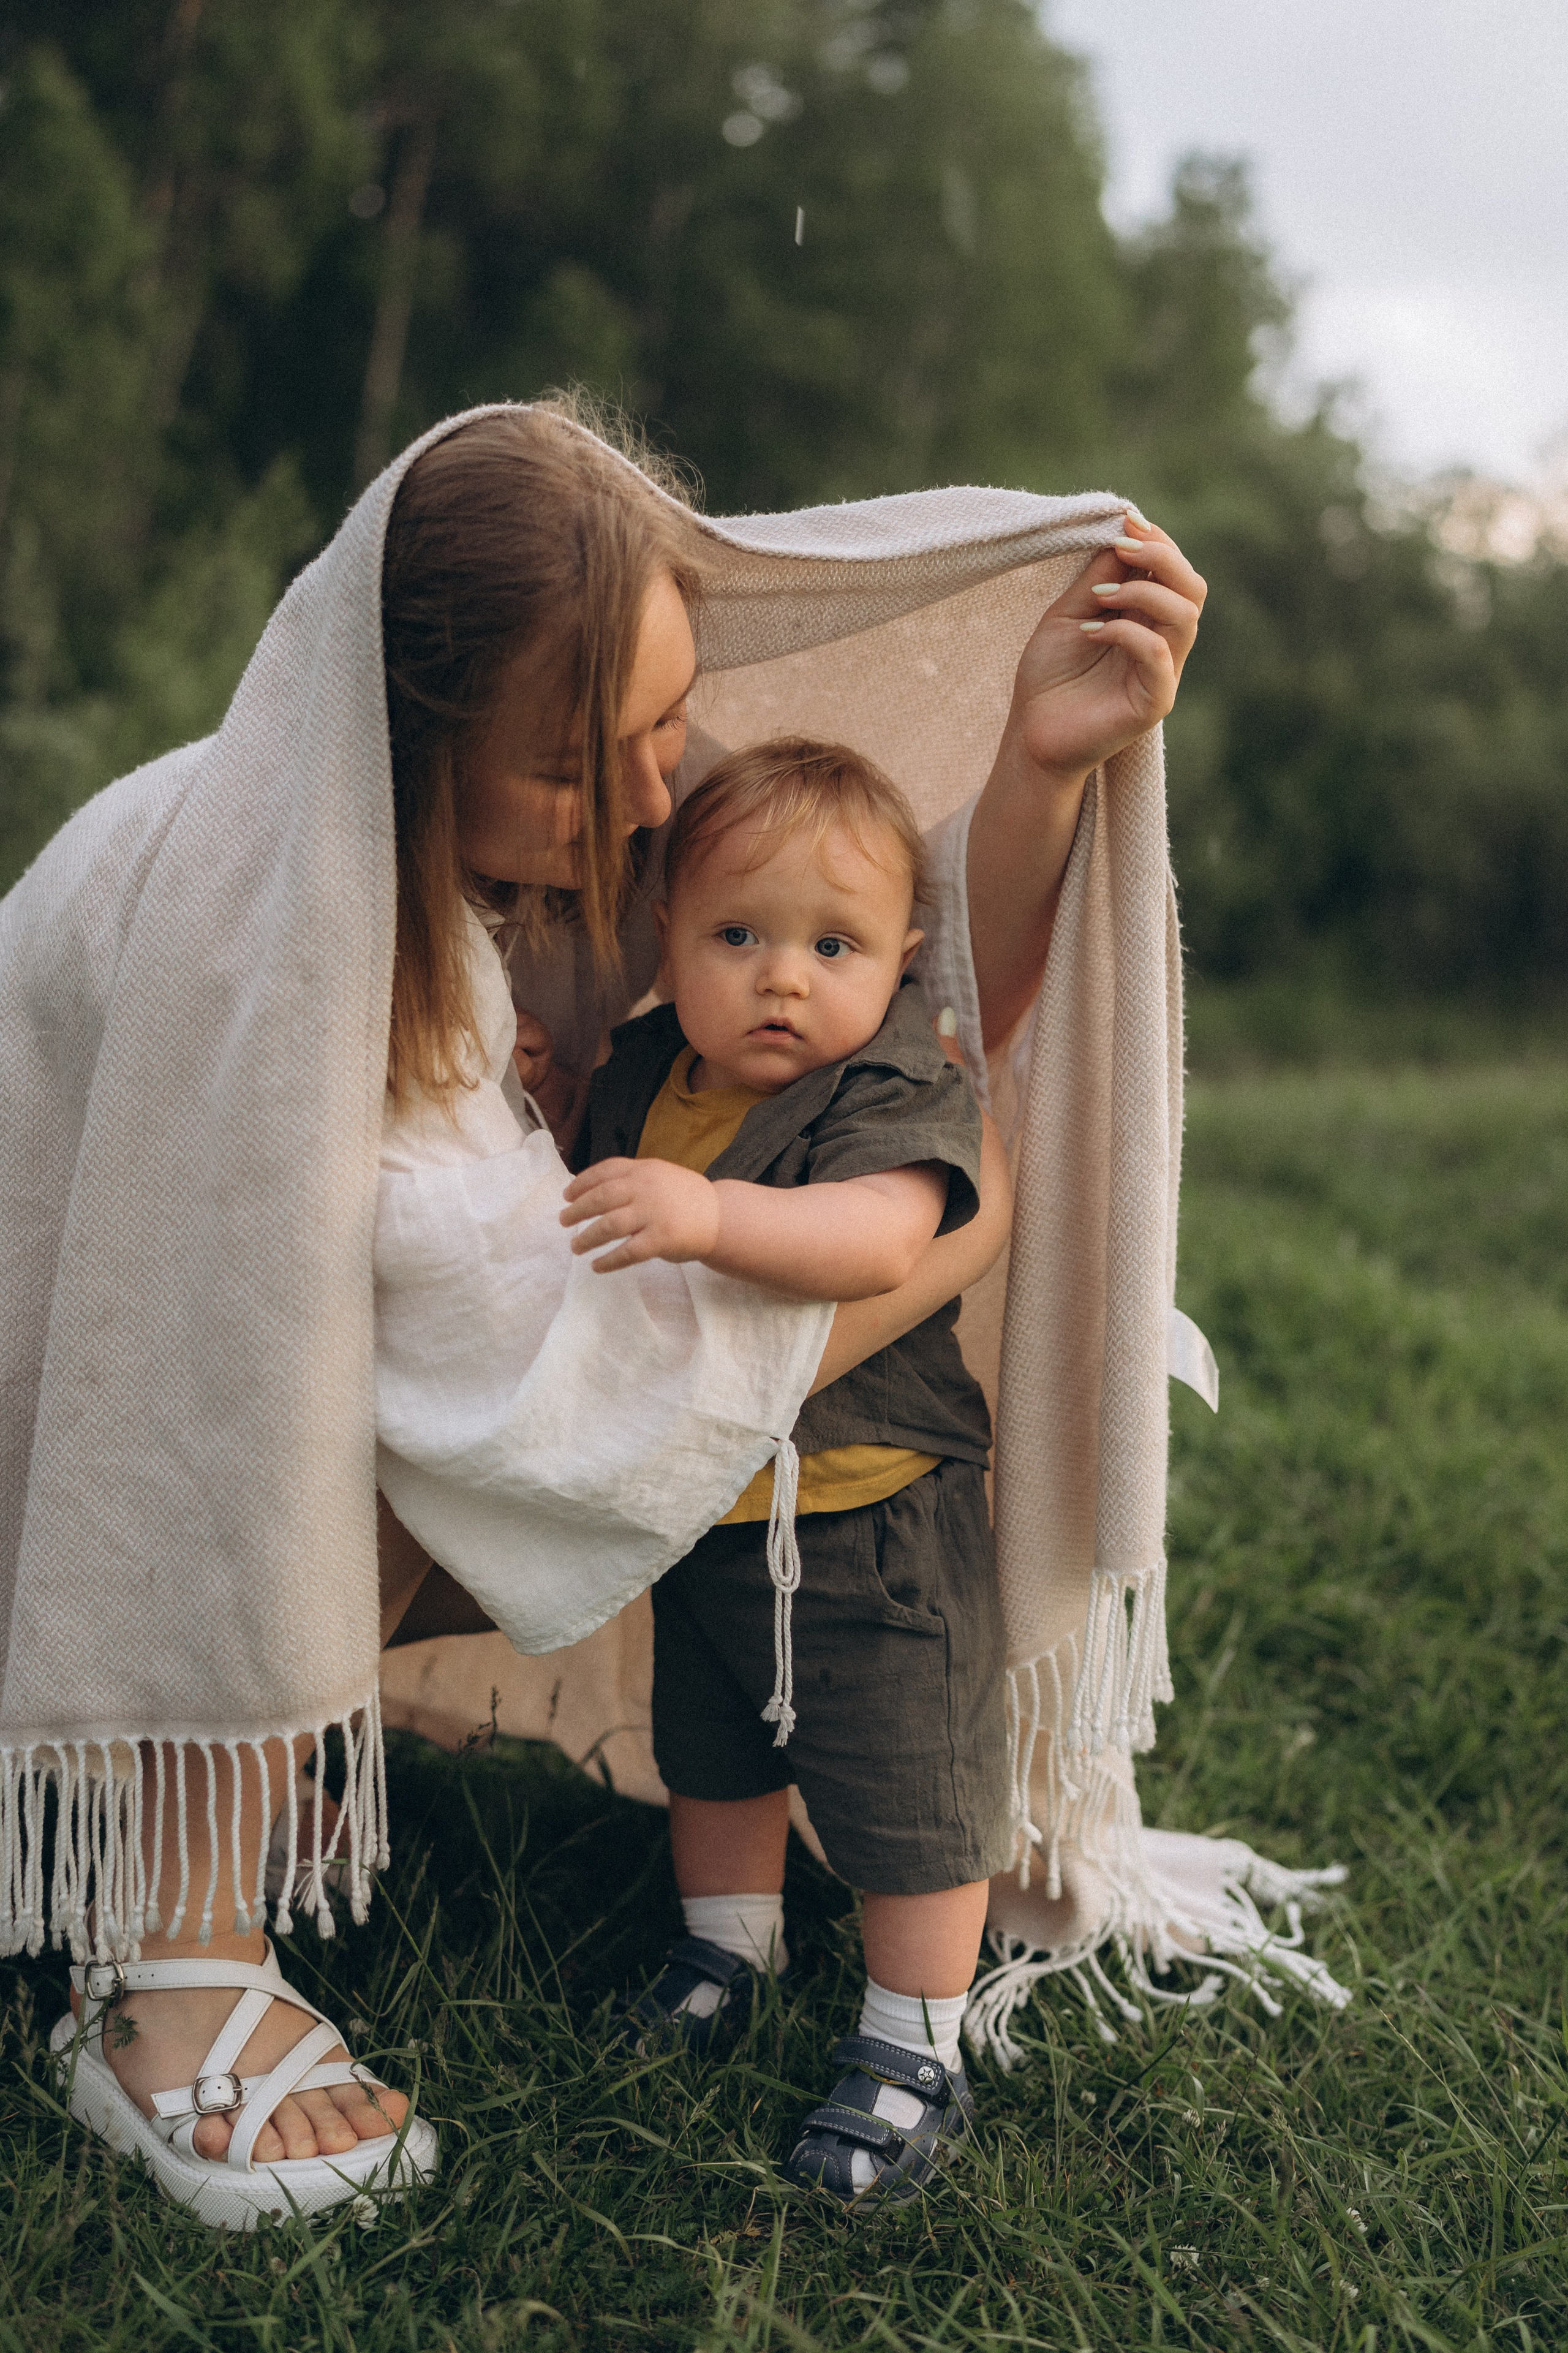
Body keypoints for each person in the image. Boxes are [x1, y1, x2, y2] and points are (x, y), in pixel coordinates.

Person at [0, 398, 1205, 2227]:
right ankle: (155, 1961)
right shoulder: (248, 916)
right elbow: (361, 1388)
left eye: (667, 714)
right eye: (594, 760)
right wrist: (943, 1239)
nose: (658, 792)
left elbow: (880, 990)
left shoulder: (556, 830)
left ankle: (232, 1767)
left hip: (253, 1404)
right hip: (78, 1475)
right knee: (359, 1408)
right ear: (405, 739)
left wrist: (1038, 767)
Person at [565, 737, 1011, 2204]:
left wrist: (701, 1212)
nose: (781, 978)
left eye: (832, 944)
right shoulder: (639, 1069)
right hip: (705, 1510)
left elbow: (882, 1239)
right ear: (665, 943)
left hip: (872, 1511)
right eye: (735, 935)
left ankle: (910, 2040)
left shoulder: (892, 1078)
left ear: (902, 959)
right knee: (713, 1747)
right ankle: (724, 1941)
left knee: (904, 1787)